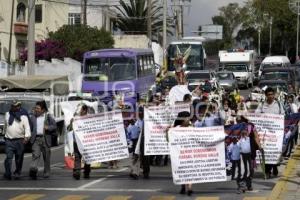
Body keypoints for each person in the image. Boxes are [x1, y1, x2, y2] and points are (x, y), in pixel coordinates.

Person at [255, 87, 284, 178]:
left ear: (274, 95)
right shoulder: (262, 105)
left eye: (272, 94)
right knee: (267, 152)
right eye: (269, 95)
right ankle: (267, 171)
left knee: (275, 151)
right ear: (266, 95)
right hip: (266, 133)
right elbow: (256, 114)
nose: (271, 96)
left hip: (276, 133)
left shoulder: (278, 104)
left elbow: (283, 115)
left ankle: (274, 167)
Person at [3, 100, 31, 180]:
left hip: (20, 140)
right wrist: (5, 135)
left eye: (15, 106)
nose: (13, 107)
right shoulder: (7, 114)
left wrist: (26, 137)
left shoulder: (24, 117)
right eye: (12, 106)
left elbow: (27, 128)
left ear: (19, 106)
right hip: (9, 140)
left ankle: (17, 172)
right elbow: (5, 125)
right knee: (8, 157)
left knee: (19, 158)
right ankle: (8, 173)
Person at [29, 101, 57, 179]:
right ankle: (33, 170)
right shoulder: (33, 117)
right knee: (35, 155)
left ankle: (46, 172)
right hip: (36, 139)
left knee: (46, 157)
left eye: (38, 108)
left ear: (43, 110)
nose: (36, 110)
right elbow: (29, 127)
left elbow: (54, 126)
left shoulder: (48, 117)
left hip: (45, 138)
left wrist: (48, 127)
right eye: (35, 108)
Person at [171, 111, 193, 196]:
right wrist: (167, 131)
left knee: (190, 170)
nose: (189, 119)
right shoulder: (176, 129)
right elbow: (168, 138)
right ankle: (183, 186)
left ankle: (190, 187)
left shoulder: (191, 128)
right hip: (179, 154)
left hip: (190, 153)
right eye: (187, 117)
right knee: (182, 170)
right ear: (182, 120)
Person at [68, 104, 91, 180]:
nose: (79, 111)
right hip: (77, 142)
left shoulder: (90, 118)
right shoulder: (75, 118)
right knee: (77, 157)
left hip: (86, 142)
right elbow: (70, 129)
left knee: (87, 158)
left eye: (81, 110)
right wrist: (71, 122)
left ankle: (86, 172)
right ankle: (77, 172)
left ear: (84, 110)